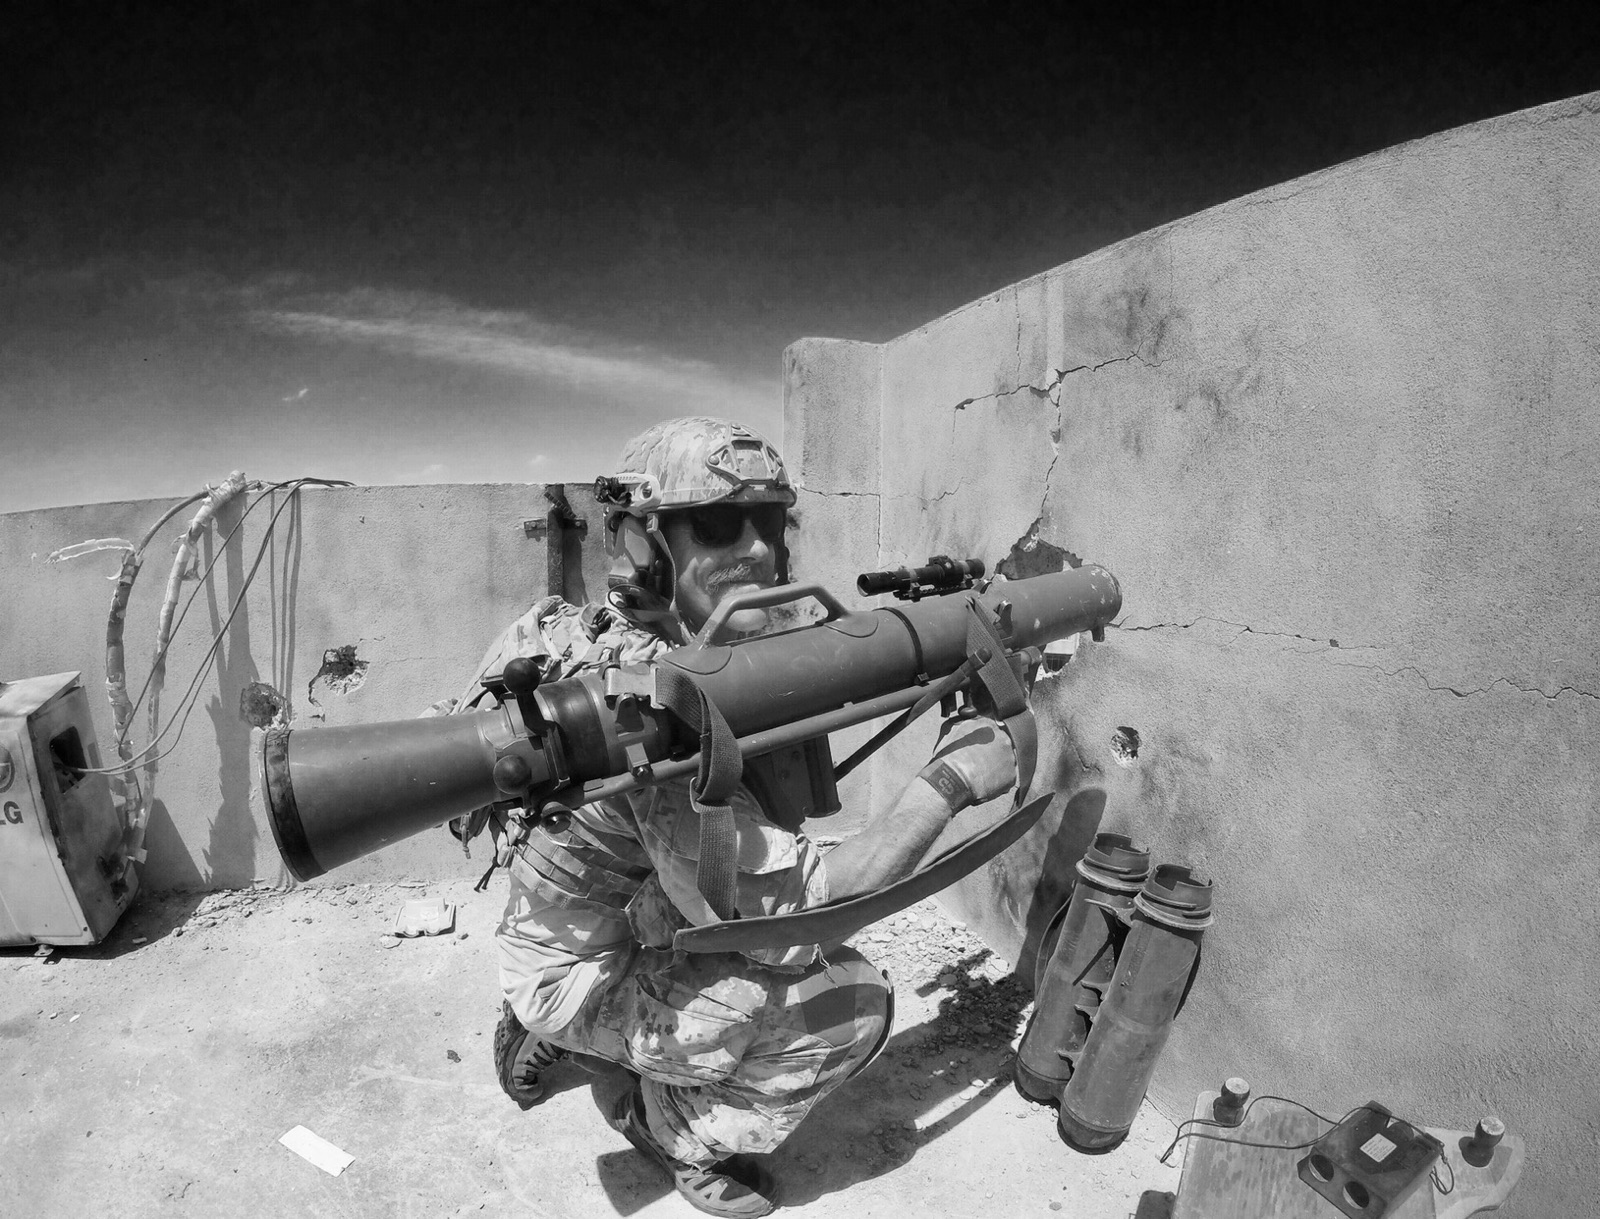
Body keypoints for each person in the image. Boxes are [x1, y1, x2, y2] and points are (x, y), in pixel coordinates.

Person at [440, 417, 1017, 1217]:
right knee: (843, 1003)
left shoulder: (588, 629)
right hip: (574, 962)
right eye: (715, 525)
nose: (755, 549)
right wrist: (948, 780)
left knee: (736, 910)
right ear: (641, 544)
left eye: (769, 523)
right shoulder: (642, 715)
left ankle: (572, 1024)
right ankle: (662, 1122)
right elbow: (799, 920)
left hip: (592, 914)